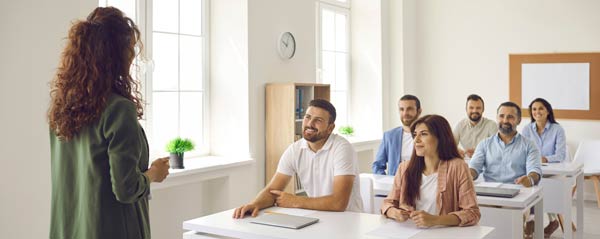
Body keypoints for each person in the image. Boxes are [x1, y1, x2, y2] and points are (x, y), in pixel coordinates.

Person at [48, 7, 170, 239]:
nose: (133, 56)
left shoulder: (62, 108)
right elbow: (126, 189)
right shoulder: (119, 109)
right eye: (130, 48)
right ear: (114, 54)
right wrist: (153, 173)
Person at [233, 99, 363, 218]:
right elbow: (273, 190)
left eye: (318, 120)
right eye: (307, 117)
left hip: (348, 220)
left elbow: (338, 203)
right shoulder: (295, 150)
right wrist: (255, 204)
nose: (310, 124)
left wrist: (295, 201)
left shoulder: (342, 148)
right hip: (318, 216)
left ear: (330, 128)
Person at [381, 115, 480, 228]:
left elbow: (472, 213)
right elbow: (387, 203)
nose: (416, 140)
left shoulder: (458, 167)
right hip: (411, 233)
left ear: (440, 138)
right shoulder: (404, 168)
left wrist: (435, 220)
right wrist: (394, 212)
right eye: (415, 135)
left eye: (423, 134)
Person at [469, 101, 542, 238]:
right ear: (497, 118)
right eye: (501, 116)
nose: (505, 120)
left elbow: (535, 171)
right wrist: (467, 174)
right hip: (489, 196)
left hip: (516, 197)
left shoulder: (529, 145)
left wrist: (529, 178)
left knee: (507, 230)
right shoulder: (484, 144)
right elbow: (474, 168)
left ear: (518, 120)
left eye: (510, 117)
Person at [521, 98, 567, 237]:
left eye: (541, 108)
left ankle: (531, 220)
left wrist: (545, 158)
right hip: (533, 170)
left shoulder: (557, 129)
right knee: (531, 183)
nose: (537, 112)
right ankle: (550, 220)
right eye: (534, 109)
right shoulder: (527, 129)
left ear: (548, 111)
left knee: (540, 184)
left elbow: (560, 155)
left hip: (552, 173)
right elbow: (522, 152)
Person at [372, 95, 422, 175]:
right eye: (401, 109)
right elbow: (377, 166)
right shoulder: (389, 136)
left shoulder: (429, 135)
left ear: (419, 111)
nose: (405, 113)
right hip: (396, 184)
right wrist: (388, 182)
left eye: (409, 109)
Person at [453, 94, 497, 159]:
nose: (474, 111)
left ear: (483, 109)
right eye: (471, 108)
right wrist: (457, 151)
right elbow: (450, 146)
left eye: (478, 108)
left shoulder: (492, 125)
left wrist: (479, 152)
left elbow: (497, 149)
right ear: (466, 109)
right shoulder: (460, 125)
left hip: (486, 164)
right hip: (466, 163)